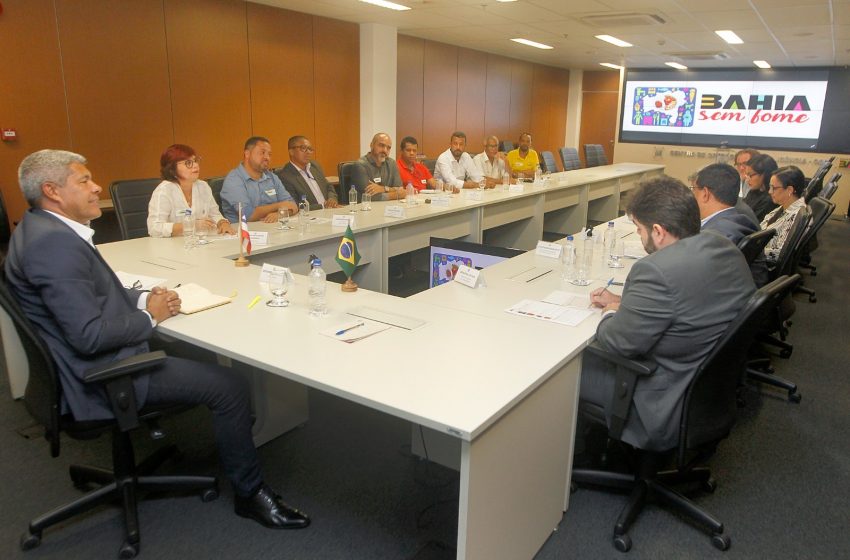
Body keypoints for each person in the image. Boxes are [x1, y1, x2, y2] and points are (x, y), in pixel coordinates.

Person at [7, 149, 310, 530]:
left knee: (198, 352)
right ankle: (250, 495)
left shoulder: (40, 229)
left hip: (87, 360)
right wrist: (150, 314)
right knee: (230, 386)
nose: (96, 186)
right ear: (51, 190)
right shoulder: (54, 246)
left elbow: (97, 294)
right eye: (83, 180)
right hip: (101, 374)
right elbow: (87, 336)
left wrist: (142, 299)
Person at [581, 176, 755, 451]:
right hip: (705, 390)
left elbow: (618, 343)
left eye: (639, 230)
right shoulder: (724, 247)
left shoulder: (655, 270)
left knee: (561, 370)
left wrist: (612, 312)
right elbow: (685, 301)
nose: (640, 238)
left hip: (661, 398)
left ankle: (572, 456)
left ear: (658, 231)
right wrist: (627, 302)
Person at [692, 163, 768, 286]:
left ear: (705, 193)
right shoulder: (739, 219)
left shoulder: (716, 236)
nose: (692, 195)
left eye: (693, 189)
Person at [147, 144, 233, 238]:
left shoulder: (203, 186)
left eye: (195, 161)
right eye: (188, 163)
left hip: (202, 243)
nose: (195, 165)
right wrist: (191, 225)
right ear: (172, 170)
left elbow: (215, 215)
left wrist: (223, 223)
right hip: (174, 247)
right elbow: (154, 228)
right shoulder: (164, 191)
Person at [220, 136, 297, 223]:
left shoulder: (271, 177)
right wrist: (280, 206)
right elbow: (248, 215)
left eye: (269, 154)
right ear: (247, 154)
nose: (267, 157)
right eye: (262, 152)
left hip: (272, 229)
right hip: (245, 233)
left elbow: (293, 205)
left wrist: (280, 214)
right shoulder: (233, 180)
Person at [276, 136, 340, 210]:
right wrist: (323, 206)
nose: (308, 152)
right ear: (291, 152)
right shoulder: (285, 176)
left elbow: (328, 186)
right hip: (310, 216)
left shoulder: (314, 166)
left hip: (331, 210)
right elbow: (295, 205)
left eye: (310, 149)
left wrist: (332, 199)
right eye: (303, 148)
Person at [761, 165, 808, 266]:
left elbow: (779, 253)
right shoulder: (785, 206)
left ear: (789, 190)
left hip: (764, 265)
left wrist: (751, 251)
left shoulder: (796, 216)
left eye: (774, 188)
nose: (770, 192)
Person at [350, 132, 406, 201]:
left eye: (388, 148)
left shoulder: (392, 163)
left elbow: (400, 189)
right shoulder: (360, 165)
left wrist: (383, 189)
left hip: (388, 207)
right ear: (371, 145)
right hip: (366, 208)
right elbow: (368, 196)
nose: (385, 150)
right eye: (381, 145)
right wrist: (396, 194)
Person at [742, 153, 778, 222]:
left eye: (750, 175)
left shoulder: (770, 200)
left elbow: (750, 223)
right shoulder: (753, 191)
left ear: (765, 174)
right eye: (747, 175)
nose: (747, 179)